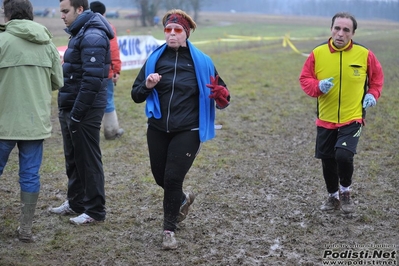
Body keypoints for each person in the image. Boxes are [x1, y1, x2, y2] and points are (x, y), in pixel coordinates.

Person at [131, 9, 230, 250]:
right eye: (168, 30)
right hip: (157, 128)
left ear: (186, 33)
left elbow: (223, 99)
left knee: (173, 178)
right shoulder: (155, 60)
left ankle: (168, 230)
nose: (172, 34)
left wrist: (221, 96)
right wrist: (147, 85)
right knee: (160, 177)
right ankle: (182, 200)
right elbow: (135, 95)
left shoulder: (203, 62)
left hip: (188, 129)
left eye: (177, 30)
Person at [299, 12, 383, 214]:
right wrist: (318, 85)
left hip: (352, 118)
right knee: (328, 160)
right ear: (331, 29)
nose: (340, 33)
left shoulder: (364, 54)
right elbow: (305, 79)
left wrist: (372, 94)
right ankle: (332, 197)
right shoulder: (318, 53)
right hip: (325, 119)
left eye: (346, 30)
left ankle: (345, 191)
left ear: (353, 33)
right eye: (337, 28)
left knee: (343, 156)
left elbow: (377, 79)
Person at [0, 0, 63, 242]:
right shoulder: (47, 43)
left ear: (7, 14)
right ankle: (25, 228)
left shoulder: (2, 41)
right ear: (31, 14)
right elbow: (58, 81)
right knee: (29, 175)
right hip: (35, 123)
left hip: (3, 122)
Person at [49, 0, 114, 225]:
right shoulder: (80, 32)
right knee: (73, 158)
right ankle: (76, 202)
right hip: (71, 105)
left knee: (88, 159)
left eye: (65, 11)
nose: (61, 16)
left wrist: (77, 113)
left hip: (84, 108)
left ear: (79, 10)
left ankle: (95, 211)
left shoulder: (92, 35)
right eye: (61, 11)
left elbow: (92, 80)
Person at [90, 1, 124, 140]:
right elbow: (113, 50)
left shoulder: (81, 26)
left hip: (86, 73)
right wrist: (116, 70)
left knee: (88, 100)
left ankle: (89, 132)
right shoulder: (108, 27)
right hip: (105, 72)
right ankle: (111, 131)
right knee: (107, 99)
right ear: (104, 13)